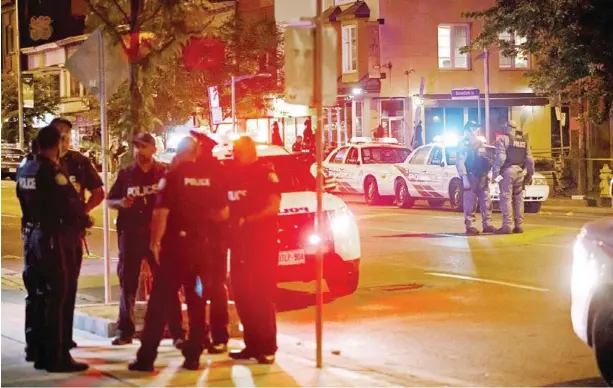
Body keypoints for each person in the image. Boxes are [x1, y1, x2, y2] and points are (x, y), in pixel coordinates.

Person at [129, 136, 230, 371]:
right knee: (196, 301)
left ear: (181, 154)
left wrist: (155, 242)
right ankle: (193, 356)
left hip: (176, 251)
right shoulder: (209, 178)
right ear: (195, 153)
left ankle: (146, 357)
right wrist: (203, 220)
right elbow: (224, 212)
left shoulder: (172, 177)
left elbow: (160, 214)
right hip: (201, 250)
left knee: (159, 303)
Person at [17, 125, 90, 372]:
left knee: (36, 295)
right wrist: (84, 220)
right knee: (57, 297)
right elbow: (71, 205)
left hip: (31, 237)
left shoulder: (25, 167)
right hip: (51, 237)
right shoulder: (51, 172)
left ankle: (36, 349)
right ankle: (57, 356)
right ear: (57, 144)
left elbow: (23, 202)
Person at [106, 133, 185, 347]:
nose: (139, 151)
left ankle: (177, 332)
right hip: (131, 235)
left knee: (167, 283)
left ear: (153, 149)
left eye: (143, 146)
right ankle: (125, 331)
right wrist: (122, 203)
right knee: (128, 284)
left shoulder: (164, 172)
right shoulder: (126, 174)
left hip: (159, 237)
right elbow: (109, 200)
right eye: (136, 147)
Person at [226, 136, 281, 364]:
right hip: (238, 245)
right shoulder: (231, 173)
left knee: (261, 295)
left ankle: (267, 346)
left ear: (250, 150)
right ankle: (252, 344)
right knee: (241, 294)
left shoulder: (265, 172)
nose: (234, 154)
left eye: (238, 150)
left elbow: (274, 205)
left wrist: (248, 219)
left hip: (261, 243)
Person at [51, 117, 104, 349]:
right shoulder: (42, 163)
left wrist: (83, 211)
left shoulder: (79, 162)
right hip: (47, 236)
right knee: (50, 288)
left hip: (72, 234)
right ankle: (49, 336)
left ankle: (64, 336)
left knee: (70, 286)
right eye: (61, 136)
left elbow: (98, 192)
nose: (66, 141)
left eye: (68, 136)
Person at [493, 120, 535, 234]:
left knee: (506, 198)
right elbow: (530, 160)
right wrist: (530, 175)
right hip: (520, 172)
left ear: (507, 127)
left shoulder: (503, 139)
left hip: (507, 172)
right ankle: (518, 226)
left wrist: (495, 175)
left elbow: (501, 158)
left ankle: (507, 226)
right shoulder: (523, 141)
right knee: (518, 199)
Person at [456, 121, 496, 235]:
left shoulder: (480, 143)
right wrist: (464, 178)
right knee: (470, 202)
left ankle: (487, 224)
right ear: (467, 130)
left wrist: (489, 170)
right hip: (471, 175)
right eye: (473, 129)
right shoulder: (463, 144)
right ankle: (470, 226)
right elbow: (460, 162)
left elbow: (484, 159)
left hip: (482, 177)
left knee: (486, 201)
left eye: (476, 129)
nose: (475, 131)